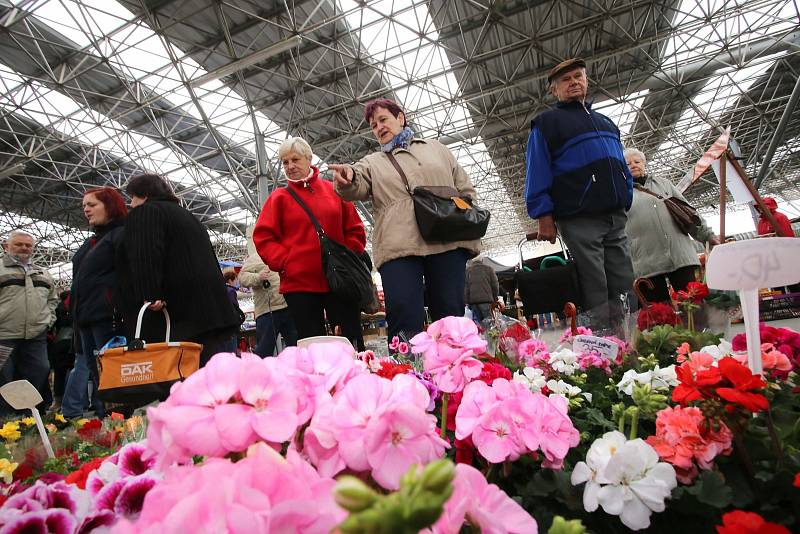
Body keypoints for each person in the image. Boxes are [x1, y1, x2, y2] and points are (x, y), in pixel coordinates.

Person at [330, 98, 481, 341]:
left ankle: (455, 371)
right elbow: (356, 182)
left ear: (400, 118)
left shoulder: (437, 149)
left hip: (447, 241)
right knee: (403, 317)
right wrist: (347, 177)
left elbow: (465, 188)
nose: (378, 127)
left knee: (450, 317)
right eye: (373, 124)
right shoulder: (372, 162)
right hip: (399, 247)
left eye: (383, 119)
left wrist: (464, 212)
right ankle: (406, 374)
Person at [524, 58, 634, 326]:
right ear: (554, 90)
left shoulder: (607, 123)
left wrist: (627, 192)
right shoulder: (546, 123)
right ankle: (601, 344)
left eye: (578, 76)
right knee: (593, 282)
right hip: (579, 215)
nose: (574, 82)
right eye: (566, 80)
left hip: (614, 213)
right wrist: (543, 215)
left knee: (623, 279)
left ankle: (630, 338)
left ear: (586, 80)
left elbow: (620, 162)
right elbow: (536, 169)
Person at [253, 137, 367, 350]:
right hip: (300, 286)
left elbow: (355, 229)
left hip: (340, 282)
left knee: (350, 342)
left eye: (295, 159)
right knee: (310, 346)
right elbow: (263, 237)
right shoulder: (278, 198)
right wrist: (286, 262)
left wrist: (347, 256)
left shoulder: (334, 191)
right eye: (285, 162)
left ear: (309, 158)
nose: (290, 166)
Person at [120, 174, 240, 366]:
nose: (131, 204)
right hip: (210, 312)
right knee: (205, 371)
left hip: (178, 311)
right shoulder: (187, 216)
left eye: (133, 197)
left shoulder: (147, 212)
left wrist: (149, 293)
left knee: (178, 375)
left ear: (146, 195)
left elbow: (146, 253)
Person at [61, 187, 127, 419]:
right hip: (86, 318)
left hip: (108, 317)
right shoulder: (94, 241)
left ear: (110, 205)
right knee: (97, 374)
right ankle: (106, 423)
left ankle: (120, 422)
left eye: (92, 204)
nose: (86, 209)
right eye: (84, 206)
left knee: (112, 374)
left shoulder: (121, 234)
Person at [623, 148, 719, 303]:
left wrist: (707, 236)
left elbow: (688, 213)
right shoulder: (620, 193)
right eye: (627, 164)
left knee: (693, 305)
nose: (633, 165)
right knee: (658, 313)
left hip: (679, 255)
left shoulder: (664, 184)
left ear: (644, 163)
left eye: (636, 161)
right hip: (646, 263)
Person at [0, 230, 58, 414]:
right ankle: (6, 423)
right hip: (3, 336)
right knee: (4, 379)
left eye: (28, 245)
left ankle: (28, 419)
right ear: (6, 247)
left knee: (40, 370)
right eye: (19, 244)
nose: (24, 248)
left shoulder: (43, 272)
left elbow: (53, 299)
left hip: (35, 336)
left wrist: (47, 319)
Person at [239, 253, 298, 356]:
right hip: (266, 311)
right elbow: (242, 278)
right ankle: (259, 371)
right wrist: (258, 277)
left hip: (287, 306)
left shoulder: (282, 253)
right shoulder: (254, 258)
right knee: (264, 350)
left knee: (296, 346)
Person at [48, 290, 75, 413]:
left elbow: (53, 324)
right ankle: (75, 400)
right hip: (74, 339)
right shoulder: (74, 301)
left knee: (60, 373)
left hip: (59, 341)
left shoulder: (59, 307)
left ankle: (58, 401)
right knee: (77, 370)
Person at [465, 257, 500, 322]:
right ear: (482, 260)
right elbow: (495, 285)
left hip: (473, 303)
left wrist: (467, 302)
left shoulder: (468, 271)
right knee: (489, 324)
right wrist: (494, 298)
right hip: (486, 301)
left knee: (479, 324)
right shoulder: (489, 269)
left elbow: (466, 288)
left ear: (472, 261)